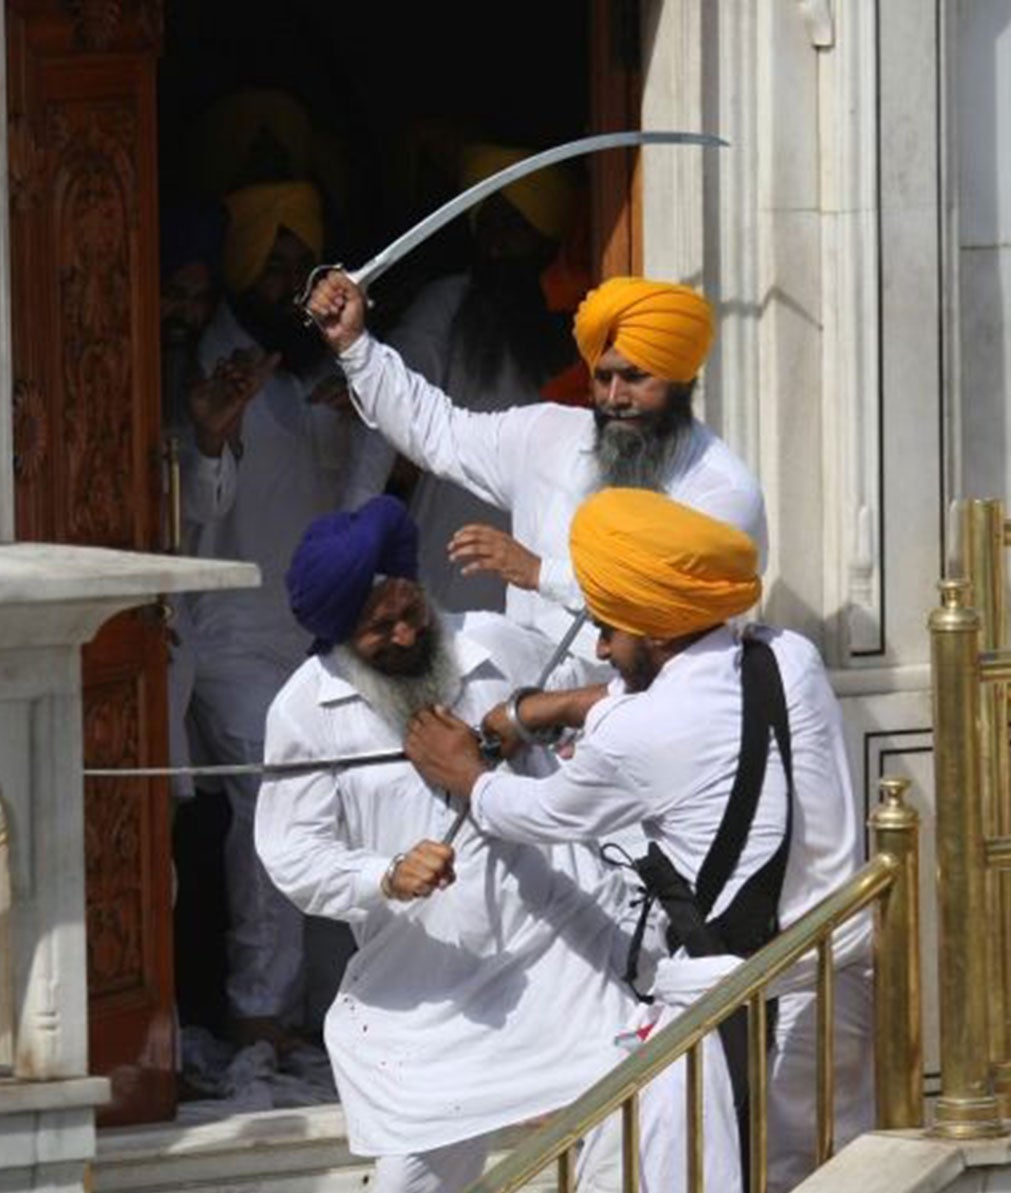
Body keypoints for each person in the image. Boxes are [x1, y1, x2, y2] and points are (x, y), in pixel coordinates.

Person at [253, 496, 651, 1193]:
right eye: (375, 626)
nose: (399, 632)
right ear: (338, 635)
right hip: (422, 988)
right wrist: (379, 878)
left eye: (405, 609)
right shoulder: (304, 711)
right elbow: (290, 851)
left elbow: (622, 707)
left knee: (621, 1154)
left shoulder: (497, 645)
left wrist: (532, 728)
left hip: (561, 952)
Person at [404, 487, 877, 1193]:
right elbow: (681, 706)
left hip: (760, 1012)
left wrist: (462, 771)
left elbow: (531, 812)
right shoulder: (791, 656)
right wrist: (552, 707)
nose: (598, 648)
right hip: (845, 979)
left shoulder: (639, 735)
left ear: (658, 634)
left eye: (608, 630)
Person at [305, 266, 767, 668]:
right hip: (529, 714)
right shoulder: (548, 435)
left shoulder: (721, 487)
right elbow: (437, 431)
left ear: (682, 382)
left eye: (635, 378)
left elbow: (670, 593)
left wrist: (539, 573)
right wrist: (354, 345)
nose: (614, 398)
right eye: (603, 377)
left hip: (649, 719)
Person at [172, 178, 365, 1054]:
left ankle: (330, 1011)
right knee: (270, 811)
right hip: (227, 636)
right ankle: (257, 1013)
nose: (289, 281)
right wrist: (213, 433)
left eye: (303, 264)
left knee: (345, 805)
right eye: (273, 263)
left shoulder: (320, 364)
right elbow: (196, 514)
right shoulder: (208, 358)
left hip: (315, 635)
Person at [341, 145, 585, 615]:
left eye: (514, 227)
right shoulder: (449, 304)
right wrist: (355, 536)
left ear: (546, 232)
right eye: (488, 228)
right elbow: (390, 407)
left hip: (557, 550)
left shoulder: (581, 315)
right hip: (456, 549)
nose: (496, 245)